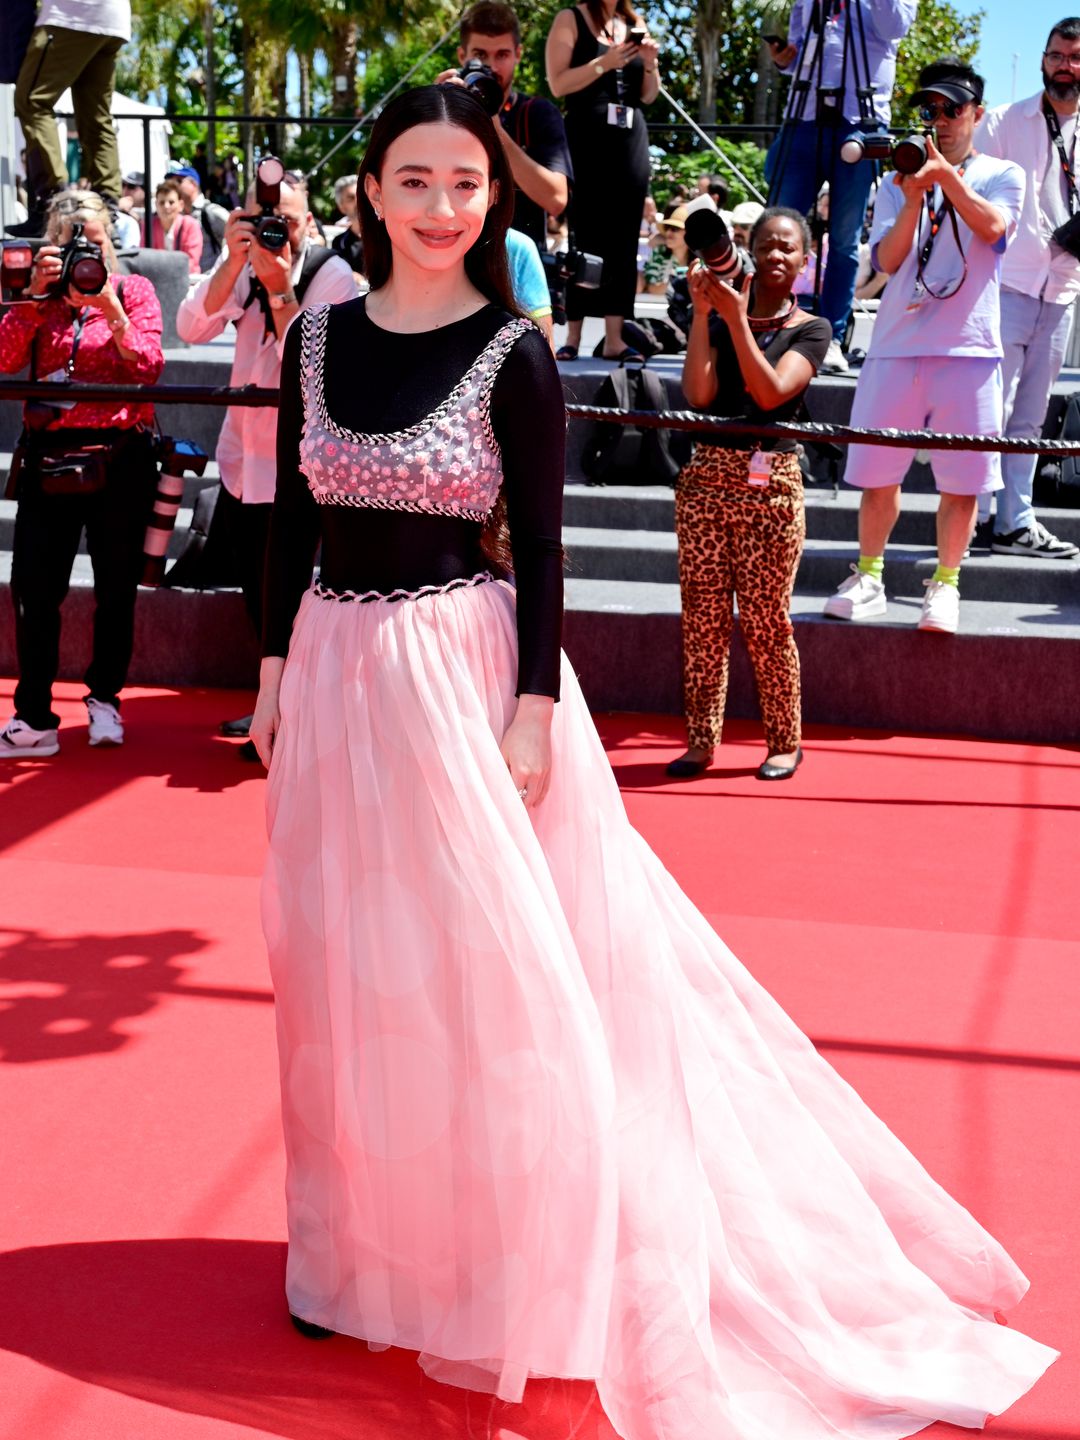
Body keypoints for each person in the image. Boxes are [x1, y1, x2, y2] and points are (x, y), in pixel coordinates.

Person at [252, 82, 1056, 1440]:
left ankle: (507, 1264)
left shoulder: (514, 349)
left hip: (464, 673)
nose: (442, 207)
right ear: (370, 191)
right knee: (343, 965)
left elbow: (550, 557)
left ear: (491, 198)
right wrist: (272, 674)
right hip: (333, 673)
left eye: (465, 184)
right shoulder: (318, 341)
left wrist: (524, 709)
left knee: (501, 984)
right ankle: (351, 1261)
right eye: (415, 181)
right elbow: (282, 524)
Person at [824, 60, 1026, 636]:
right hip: (895, 346)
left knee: (962, 483)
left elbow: (993, 230)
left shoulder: (1002, 172)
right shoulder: (898, 179)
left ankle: (946, 584)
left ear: (976, 115)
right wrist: (913, 196)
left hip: (969, 350)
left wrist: (946, 179)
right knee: (877, 475)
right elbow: (886, 263)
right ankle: (869, 576)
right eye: (929, 110)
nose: (938, 120)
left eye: (951, 109)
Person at [176, 170, 355, 753]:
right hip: (243, 462)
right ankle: (275, 715)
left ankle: (305, 720)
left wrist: (279, 287)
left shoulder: (332, 275)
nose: (276, 229)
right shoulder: (244, 263)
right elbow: (191, 326)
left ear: (309, 221)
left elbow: (316, 365)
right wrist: (233, 259)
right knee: (260, 595)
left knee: (298, 601)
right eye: (262, 218)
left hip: (304, 470)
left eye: (287, 219)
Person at [666, 210, 831, 783]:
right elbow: (697, 391)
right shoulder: (720, 318)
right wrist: (704, 315)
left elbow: (770, 393)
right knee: (703, 618)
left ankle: (785, 743)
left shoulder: (814, 328)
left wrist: (737, 322)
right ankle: (699, 742)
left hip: (771, 488)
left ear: (806, 261)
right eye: (765, 246)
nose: (776, 256)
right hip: (706, 480)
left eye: (789, 248)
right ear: (751, 252)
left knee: (766, 620)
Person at [0, 189, 163, 757]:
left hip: (120, 458)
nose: (83, 253)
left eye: (92, 240)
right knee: (34, 590)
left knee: (116, 590)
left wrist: (110, 311)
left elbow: (148, 367)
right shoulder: (36, 298)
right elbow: (2, 362)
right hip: (50, 459)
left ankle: (104, 700)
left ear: (111, 242)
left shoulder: (133, 290)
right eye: (70, 242)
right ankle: (35, 717)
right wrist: (31, 299)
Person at [974, 18, 1080, 559]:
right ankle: (971, 516)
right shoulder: (1003, 121)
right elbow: (974, 193)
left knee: (1030, 415)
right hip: (1008, 283)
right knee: (989, 407)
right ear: (1043, 59)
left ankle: (1014, 520)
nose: (1068, 65)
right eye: (1059, 55)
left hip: (1063, 289)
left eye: (1077, 57)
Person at [766, 0, 917, 373]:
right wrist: (785, 58)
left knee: (845, 238)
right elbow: (800, 50)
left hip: (861, 122)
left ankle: (830, 338)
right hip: (804, 116)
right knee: (781, 228)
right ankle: (770, 327)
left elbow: (894, 27)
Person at [546, 1, 660, 360]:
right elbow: (558, 84)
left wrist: (651, 62)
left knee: (625, 237)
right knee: (586, 233)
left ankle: (615, 338)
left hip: (630, 135)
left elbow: (648, 94)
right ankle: (573, 336)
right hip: (586, 135)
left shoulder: (633, 20)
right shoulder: (571, 18)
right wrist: (603, 63)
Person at [443, 2, 574, 254]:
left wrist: (494, 130)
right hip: (453, 258)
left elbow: (556, 200)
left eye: (502, 55)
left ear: (518, 54)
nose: (491, 67)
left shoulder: (537, 113)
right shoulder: (444, 109)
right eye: (480, 55)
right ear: (462, 56)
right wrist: (437, 110)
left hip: (517, 263)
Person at [8, 0, 130, 239]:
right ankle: (106, 212)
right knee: (95, 116)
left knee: (32, 101)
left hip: (71, 15)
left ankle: (53, 204)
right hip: (112, 19)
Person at [171, 164, 229, 271]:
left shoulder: (211, 212)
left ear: (193, 184)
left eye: (179, 181)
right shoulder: (176, 215)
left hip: (211, 282)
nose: (174, 186)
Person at [146, 177, 202, 274]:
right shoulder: (148, 225)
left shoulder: (191, 225)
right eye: (162, 202)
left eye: (171, 202)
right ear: (156, 205)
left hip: (187, 280)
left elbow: (192, 261)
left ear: (181, 205)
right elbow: (144, 258)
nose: (166, 206)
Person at [329, 174, 365, 278]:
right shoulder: (339, 243)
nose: (358, 201)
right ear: (342, 207)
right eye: (351, 198)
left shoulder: (388, 235)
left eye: (361, 195)